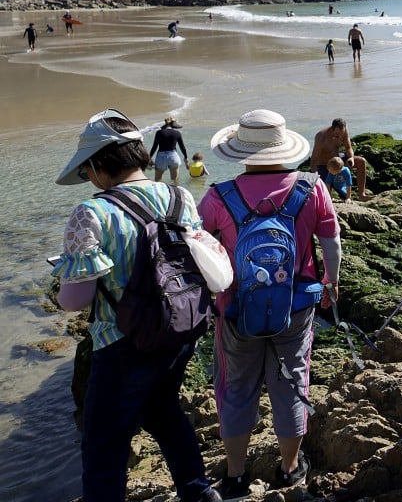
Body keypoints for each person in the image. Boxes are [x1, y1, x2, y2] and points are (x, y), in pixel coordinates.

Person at [51, 109, 220, 502]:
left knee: (103, 445)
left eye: (87, 169)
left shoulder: (91, 212)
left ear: (98, 164)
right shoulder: (180, 197)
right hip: (180, 328)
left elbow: (76, 300)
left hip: (122, 342)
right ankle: (199, 492)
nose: (88, 177)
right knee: (163, 411)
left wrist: (63, 284)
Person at [199, 109, 341, 499]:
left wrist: (209, 296)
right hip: (295, 307)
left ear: (240, 152)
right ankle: (290, 469)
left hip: (236, 310)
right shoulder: (312, 188)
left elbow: (195, 247)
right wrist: (331, 283)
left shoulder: (218, 196)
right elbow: (331, 242)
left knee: (236, 387)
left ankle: (235, 475)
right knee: (291, 381)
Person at [309, 118, 369, 200]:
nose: (340, 136)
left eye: (342, 134)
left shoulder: (344, 130)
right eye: (337, 134)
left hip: (338, 161)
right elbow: (313, 161)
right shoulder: (321, 137)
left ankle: (362, 195)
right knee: (327, 195)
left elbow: (348, 148)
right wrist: (316, 175)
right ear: (332, 129)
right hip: (325, 166)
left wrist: (351, 158)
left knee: (361, 161)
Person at [150, 116, 188, 183]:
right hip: (173, 157)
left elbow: (154, 147)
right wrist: (185, 157)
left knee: (158, 181)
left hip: (161, 157)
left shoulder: (159, 132)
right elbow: (182, 147)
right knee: (174, 181)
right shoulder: (177, 133)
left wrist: (149, 158)